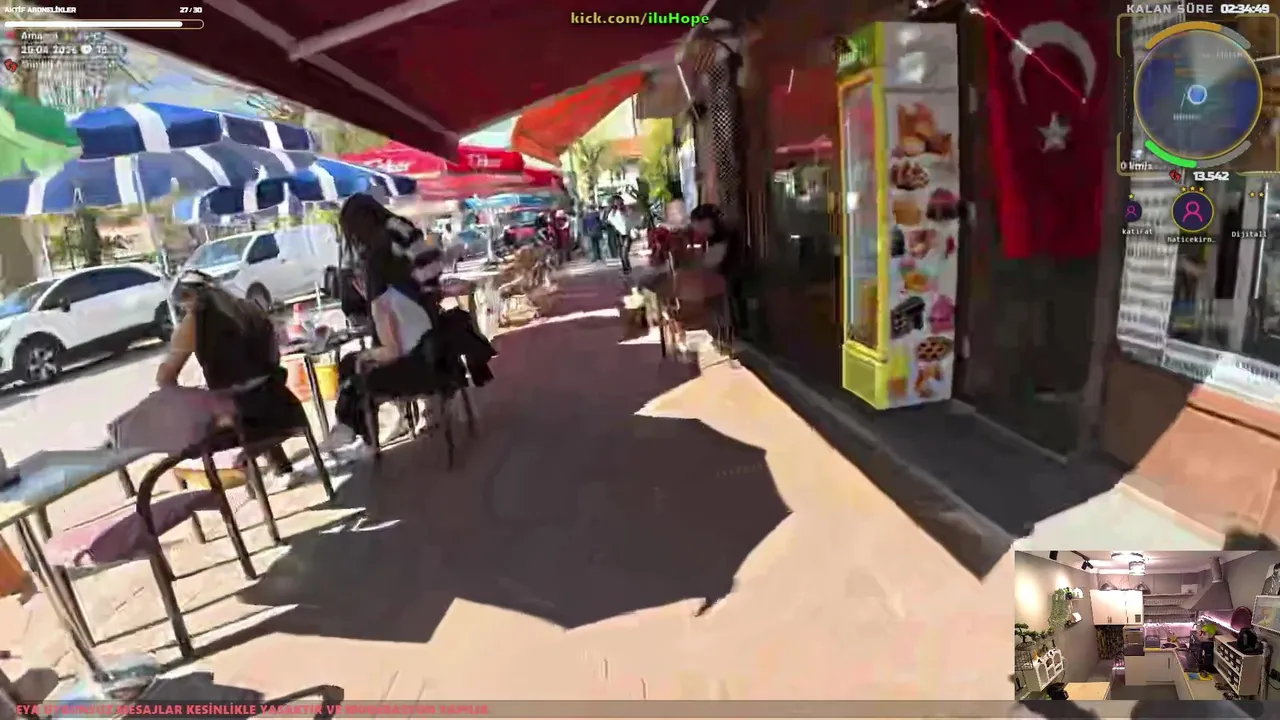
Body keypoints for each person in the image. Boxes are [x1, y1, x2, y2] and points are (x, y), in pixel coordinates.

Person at [156, 270, 303, 481]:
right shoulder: (250, 309)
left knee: (183, 421)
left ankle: (244, 474)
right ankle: (280, 468)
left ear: (189, 299)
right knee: (249, 389)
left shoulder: (194, 322)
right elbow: (273, 359)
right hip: (280, 400)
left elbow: (166, 378)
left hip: (242, 414)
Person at [319, 241, 437, 451]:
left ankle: (351, 427)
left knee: (355, 369)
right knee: (352, 364)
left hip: (414, 373)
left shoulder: (381, 305)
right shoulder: (410, 293)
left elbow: (393, 352)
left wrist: (367, 355)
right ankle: (354, 428)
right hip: (433, 362)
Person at [690, 203, 747, 335]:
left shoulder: (724, 235)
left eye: (698, 225)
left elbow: (712, 263)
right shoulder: (716, 235)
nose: (698, 231)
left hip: (733, 280)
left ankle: (730, 330)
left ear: (707, 221)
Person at [605, 194, 635, 274]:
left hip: (627, 233)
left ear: (621, 200)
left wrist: (624, 212)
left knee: (624, 251)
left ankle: (627, 267)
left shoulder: (626, 209)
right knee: (622, 252)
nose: (617, 202)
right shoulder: (613, 211)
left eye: (618, 200)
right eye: (615, 201)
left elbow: (631, 217)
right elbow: (609, 220)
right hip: (618, 234)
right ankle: (625, 268)